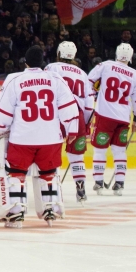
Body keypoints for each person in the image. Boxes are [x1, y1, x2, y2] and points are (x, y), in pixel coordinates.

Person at [0, 46, 79, 227]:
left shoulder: (14, 80)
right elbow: (69, 108)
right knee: (48, 172)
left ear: (25, 62)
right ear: (43, 63)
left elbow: (2, 113)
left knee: (16, 173)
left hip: (22, 138)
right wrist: (72, 131)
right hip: (51, 138)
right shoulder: (55, 79)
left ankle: (16, 212)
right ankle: (51, 209)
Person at [88, 43, 136, 196]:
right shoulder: (135, 75)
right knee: (119, 151)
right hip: (123, 118)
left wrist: (93, 94)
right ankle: (119, 183)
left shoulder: (105, 65)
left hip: (104, 115)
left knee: (100, 150)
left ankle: (99, 182)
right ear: (130, 57)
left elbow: (89, 81)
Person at [45, 41, 94, 203]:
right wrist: (85, 123)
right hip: (77, 114)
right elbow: (89, 102)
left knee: (52, 151)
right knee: (76, 155)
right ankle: (81, 189)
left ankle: (53, 189)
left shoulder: (51, 67)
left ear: (58, 53)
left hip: (56, 113)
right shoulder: (82, 73)